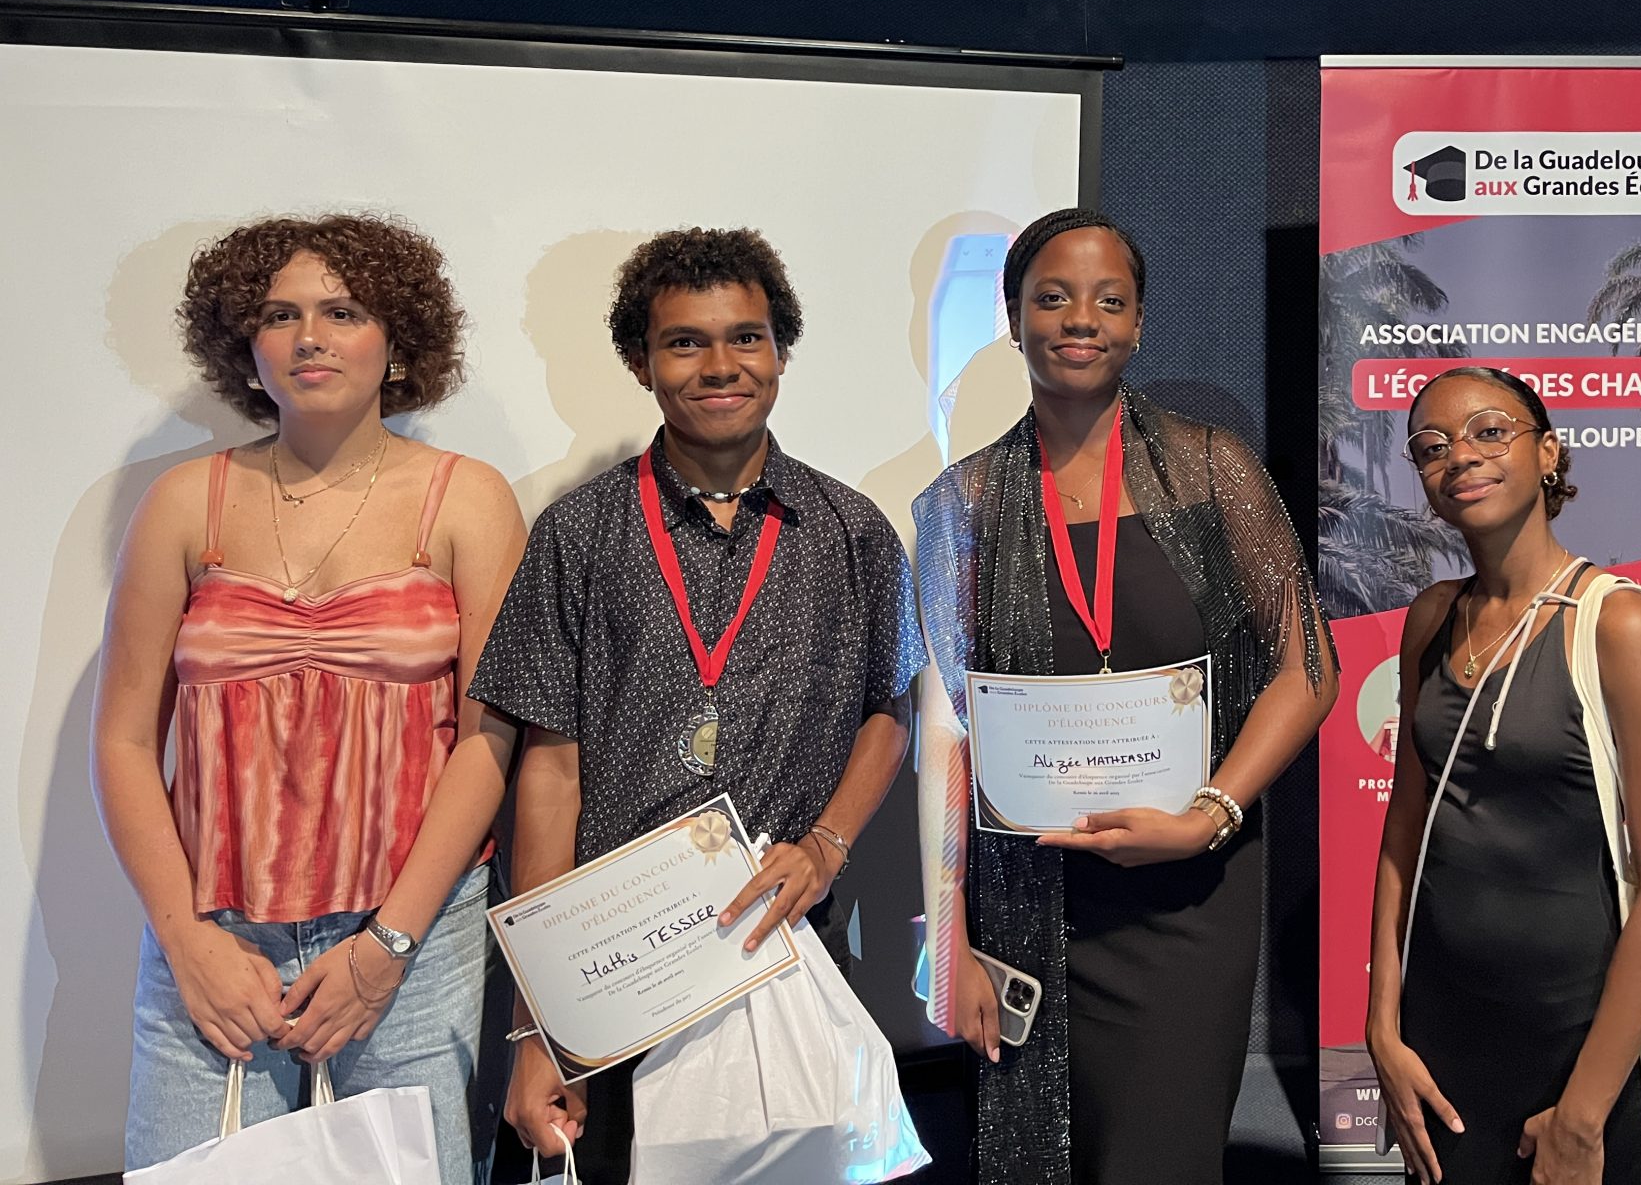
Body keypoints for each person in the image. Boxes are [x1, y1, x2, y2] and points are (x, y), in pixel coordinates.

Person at [473, 226, 922, 1182]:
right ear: (641, 363)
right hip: (617, 970)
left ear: (781, 352)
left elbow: (890, 712)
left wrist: (827, 845)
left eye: (746, 337)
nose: (721, 366)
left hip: (785, 943)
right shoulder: (578, 532)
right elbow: (548, 775)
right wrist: (541, 1024)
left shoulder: (850, 531)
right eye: (685, 342)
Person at [95, 214, 528, 1184]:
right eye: (279, 315)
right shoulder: (183, 503)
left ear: (399, 339)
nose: (309, 337)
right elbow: (122, 742)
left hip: (413, 940)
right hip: (214, 940)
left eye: (343, 311)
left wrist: (388, 945)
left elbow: (489, 738)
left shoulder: (468, 498)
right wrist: (184, 941)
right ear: (244, 345)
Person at [913, 208, 1340, 1185]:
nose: (1080, 319)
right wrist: (950, 940)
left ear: (1138, 323)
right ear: (1013, 318)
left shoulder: (1210, 467)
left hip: (1188, 890)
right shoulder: (960, 504)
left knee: (1160, 1160)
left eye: (1109, 300)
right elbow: (945, 735)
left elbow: (1308, 667)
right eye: (1052, 297)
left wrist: (1210, 814)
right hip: (1032, 901)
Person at [1368, 367, 1641, 1185]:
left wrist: (1584, 1115)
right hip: (1440, 1036)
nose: (1460, 456)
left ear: (1548, 452)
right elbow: (1406, 827)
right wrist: (1383, 1025)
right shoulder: (1430, 618)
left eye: (1490, 431)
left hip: (1579, 1049)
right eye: (1432, 446)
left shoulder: (1620, 622)